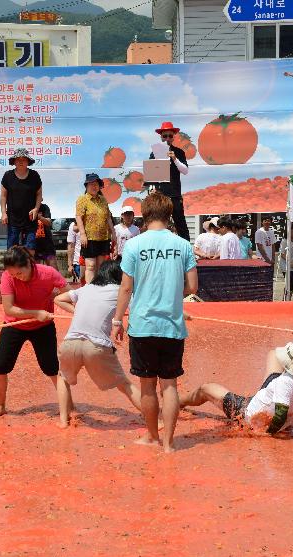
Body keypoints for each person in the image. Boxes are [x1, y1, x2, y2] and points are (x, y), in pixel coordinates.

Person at [114, 192, 198, 453]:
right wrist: (172, 295)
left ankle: (152, 436)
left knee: (147, 385)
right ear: (169, 214)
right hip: (172, 325)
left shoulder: (133, 246)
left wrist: (117, 320)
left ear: (145, 215)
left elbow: (126, 288)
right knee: (170, 385)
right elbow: (193, 286)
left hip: (142, 324)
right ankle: (169, 443)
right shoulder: (183, 245)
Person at [181, 329, 293, 434]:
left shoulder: (285, 383)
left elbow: (280, 415)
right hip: (271, 393)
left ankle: (177, 403)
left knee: (205, 389)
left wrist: (266, 433)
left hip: (248, 413)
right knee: (272, 354)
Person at [54, 259, 142, 428]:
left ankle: (63, 421)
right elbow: (142, 308)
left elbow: (59, 299)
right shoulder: (120, 291)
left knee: (62, 378)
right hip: (96, 345)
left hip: (70, 343)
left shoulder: (86, 288)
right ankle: (157, 419)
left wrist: (77, 311)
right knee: (125, 385)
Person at [0, 246, 67, 419]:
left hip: (43, 326)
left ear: (29, 264)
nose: (17, 277)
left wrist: (77, 312)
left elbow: (69, 294)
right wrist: (35, 313)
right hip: (15, 325)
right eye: (13, 274)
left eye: (20, 273)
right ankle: (0, 406)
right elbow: (9, 309)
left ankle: (69, 406)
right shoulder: (7, 277)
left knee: (52, 368)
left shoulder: (49, 273)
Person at [148, 121, 190, 242]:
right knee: (158, 224)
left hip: (174, 194)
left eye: (170, 135)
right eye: (164, 135)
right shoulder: (154, 153)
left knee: (181, 224)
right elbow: (152, 175)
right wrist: (152, 188)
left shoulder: (179, 152)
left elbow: (185, 171)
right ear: (161, 137)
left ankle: (187, 252)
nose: (167, 138)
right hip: (160, 195)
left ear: (173, 137)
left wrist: (174, 159)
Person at [1, 148, 43, 260]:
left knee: (30, 247)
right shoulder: (8, 175)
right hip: (13, 217)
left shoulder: (34, 175)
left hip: (30, 218)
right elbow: (3, 196)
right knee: (12, 248)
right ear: (14, 161)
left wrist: (36, 208)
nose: (21, 161)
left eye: (24, 159)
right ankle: (11, 273)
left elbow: (39, 194)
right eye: (18, 159)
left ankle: (29, 272)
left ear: (28, 161)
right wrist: (3, 213)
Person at [75, 173, 115, 284]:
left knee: (100, 266)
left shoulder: (103, 200)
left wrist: (113, 233)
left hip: (103, 238)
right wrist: (82, 234)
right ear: (86, 186)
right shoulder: (82, 199)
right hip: (89, 238)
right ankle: (89, 290)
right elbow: (78, 217)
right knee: (90, 265)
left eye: (96, 184)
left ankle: (98, 287)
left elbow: (108, 218)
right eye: (91, 184)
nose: (94, 186)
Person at [33, 201, 56, 267]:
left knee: (53, 267)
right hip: (34, 244)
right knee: (36, 269)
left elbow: (49, 222)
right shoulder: (26, 208)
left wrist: (40, 217)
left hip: (47, 244)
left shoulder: (44, 207)